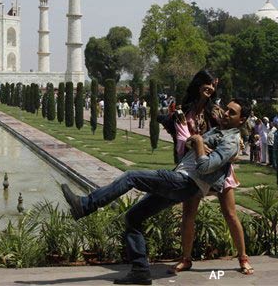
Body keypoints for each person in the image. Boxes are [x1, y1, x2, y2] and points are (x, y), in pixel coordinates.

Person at [61, 98, 251, 285]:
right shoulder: (218, 131)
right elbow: (191, 146)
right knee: (133, 217)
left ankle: (85, 205)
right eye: (227, 109)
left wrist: (199, 141)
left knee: (131, 177)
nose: (226, 113)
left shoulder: (230, 141)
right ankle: (140, 271)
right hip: (181, 180)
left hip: (186, 182)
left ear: (241, 120)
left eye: (232, 112)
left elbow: (204, 167)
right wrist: (195, 142)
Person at [169, 71, 253, 276]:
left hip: (218, 167)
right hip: (194, 165)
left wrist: (235, 146)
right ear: (198, 86)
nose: (211, 90)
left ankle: (243, 258)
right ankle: (186, 258)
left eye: (213, 87)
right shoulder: (184, 111)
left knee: (230, 214)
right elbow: (181, 137)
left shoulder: (215, 111)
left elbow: (231, 137)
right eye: (207, 86)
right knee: (189, 213)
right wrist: (193, 144)